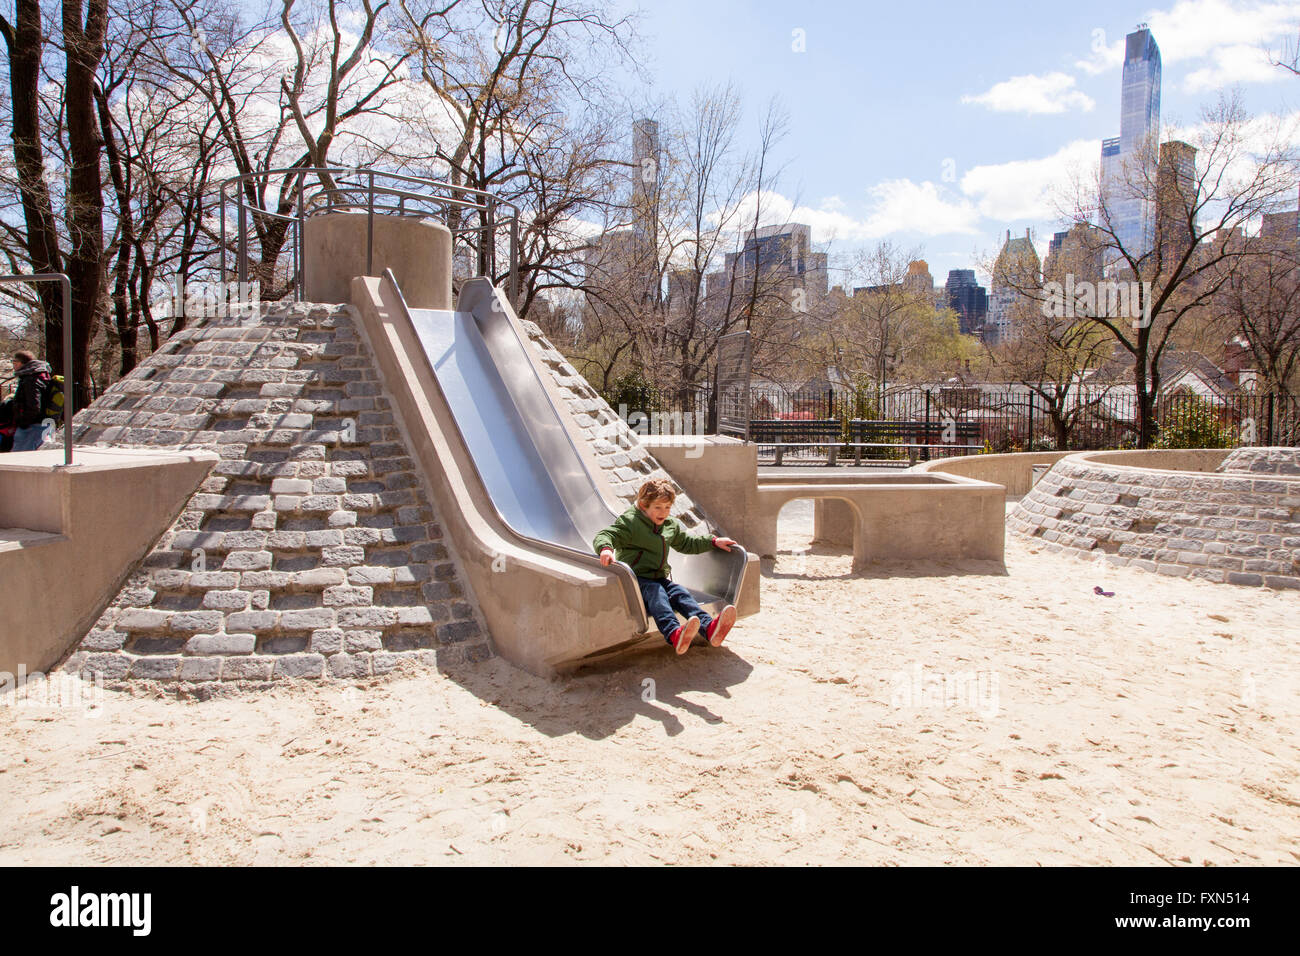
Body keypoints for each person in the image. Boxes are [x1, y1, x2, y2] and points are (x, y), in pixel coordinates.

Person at [593, 478, 739, 655]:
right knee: (657, 593)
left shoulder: (669, 525)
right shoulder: (631, 523)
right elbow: (605, 535)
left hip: (659, 577)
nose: (664, 512)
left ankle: (709, 628)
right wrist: (606, 549)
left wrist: (713, 541)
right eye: (658, 507)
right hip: (635, 580)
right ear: (643, 505)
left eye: (668, 507)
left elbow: (687, 543)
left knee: (680, 592)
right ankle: (674, 633)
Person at [1, 351, 54, 452]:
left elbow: (34, 406)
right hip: (40, 424)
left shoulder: (31, 379)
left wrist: (22, 422)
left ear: (22, 363)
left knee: (19, 460)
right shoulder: (37, 376)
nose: (13, 365)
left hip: (32, 427)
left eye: (14, 362)